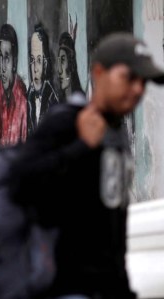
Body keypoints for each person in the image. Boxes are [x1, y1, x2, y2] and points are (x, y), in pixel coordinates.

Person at [9, 33, 164, 298]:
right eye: (129, 78)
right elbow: (20, 183)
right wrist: (79, 148)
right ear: (99, 74)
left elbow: (114, 219)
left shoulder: (117, 133)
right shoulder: (66, 121)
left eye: (143, 81)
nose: (138, 89)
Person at [0, 24, 28, 153]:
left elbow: (23, 141)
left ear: (15, 62)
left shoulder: (21, 94)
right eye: (1, 56)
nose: (3, 66)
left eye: (7, 57)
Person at [27, 24, 58, 133]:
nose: (35, 68)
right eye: (32, 60)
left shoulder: (52, 99)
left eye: (39, 60)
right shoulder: (27, 99)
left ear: (46, 63)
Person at [56, 31, 84, 102]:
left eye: (62, 61)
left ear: (71, 64)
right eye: (58, 61)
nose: (59, 70)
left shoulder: (81, 100)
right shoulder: (57, 101)